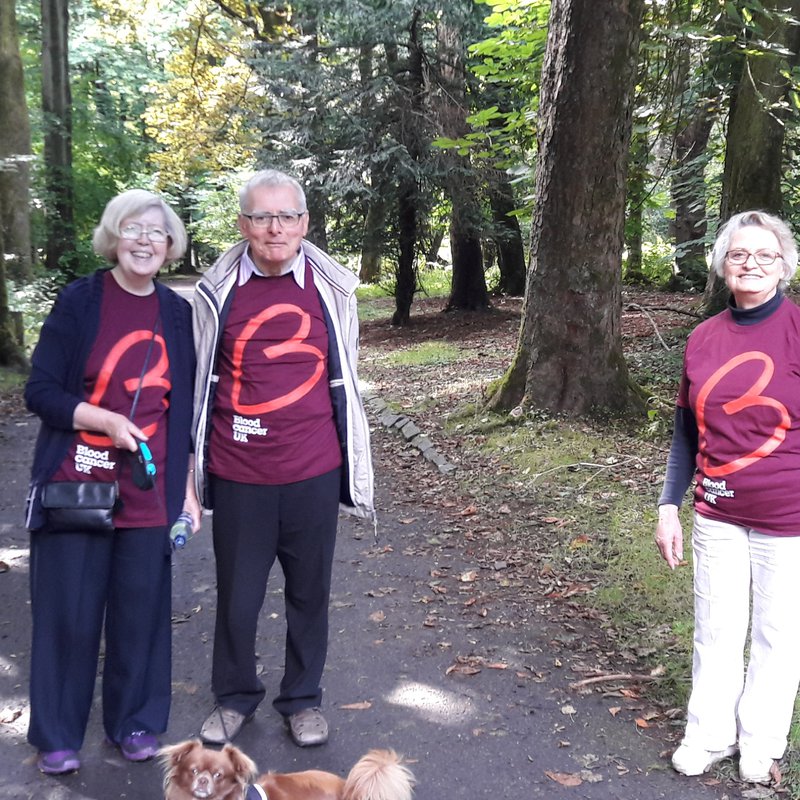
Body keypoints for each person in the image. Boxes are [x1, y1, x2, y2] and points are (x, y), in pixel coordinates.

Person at [191, 168, 374, 748]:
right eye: (263, 216)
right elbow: (197, 384)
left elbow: (342, 375)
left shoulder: (331, 290)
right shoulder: (215, 293)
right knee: (238, 598)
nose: (275, 228)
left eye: (287, 216)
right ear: (243, 224)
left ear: (305, 224)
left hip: (314, 470)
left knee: (308, 594)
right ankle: (234, 696)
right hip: (239, 472)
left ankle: (301, 699)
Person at [24, 190, 200, 775]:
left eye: (157, 232)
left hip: (150, 492)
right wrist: (102, 420)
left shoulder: (177, 314)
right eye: (133, 228)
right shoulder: (80, 301)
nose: (145, 240)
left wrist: (189, 491)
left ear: (170, 246)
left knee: (141, 613)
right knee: (68, 614)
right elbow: (41, 392)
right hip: (77, 483)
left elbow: (184, 409)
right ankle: (56, 735)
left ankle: (137, 722)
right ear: (113, 236)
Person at [655, 209, 800, 785]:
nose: (752, 264)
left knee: (777, 634)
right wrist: (670, 504)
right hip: (716, 511)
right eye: (740, 254)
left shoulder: (796, 330)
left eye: (765, 255)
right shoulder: (703, 337)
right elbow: (685, 432)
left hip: (789, 518)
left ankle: (761, 743)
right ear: (722, 264)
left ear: (784, 265)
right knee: (715, 628)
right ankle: (709, 734)